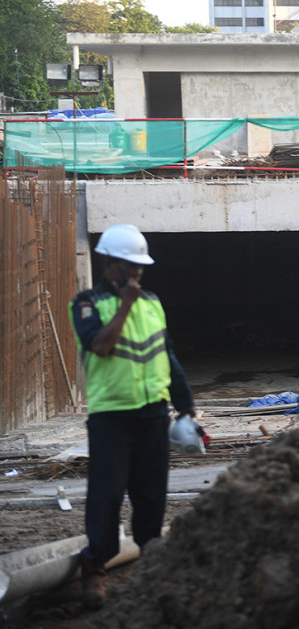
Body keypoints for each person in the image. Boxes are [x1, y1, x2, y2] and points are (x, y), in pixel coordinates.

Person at [68, 224, 196, 609]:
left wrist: (185, 400)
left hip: (153, 415)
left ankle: (151, 566)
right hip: (112, 417)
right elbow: (101, 346)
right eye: (130, 267)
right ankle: (95, 567)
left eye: (141, 268)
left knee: (151, 497)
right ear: (110, 264)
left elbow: (165, 354)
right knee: (106, 497)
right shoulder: (87, 303)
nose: (138, 274)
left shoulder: (152, 303)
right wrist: (124, 303)